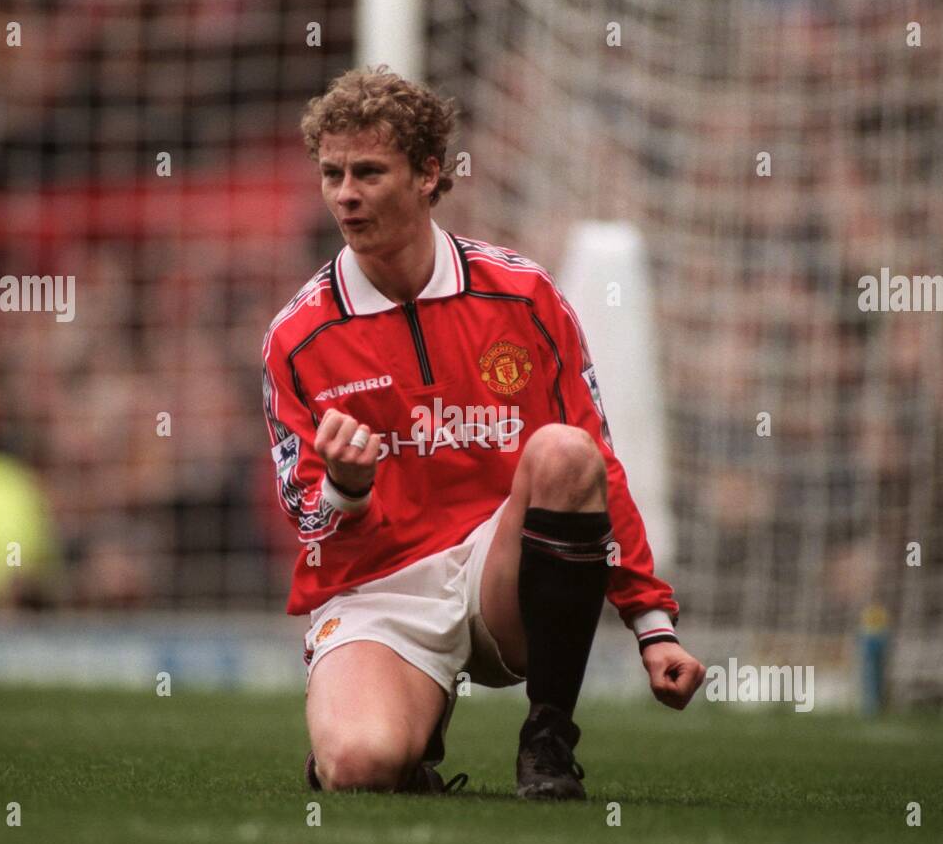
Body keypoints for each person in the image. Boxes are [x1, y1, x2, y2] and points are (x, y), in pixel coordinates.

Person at [260, 66, 705, 799]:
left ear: (429, 173)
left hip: (500, 577)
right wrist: (344, 487)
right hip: (380, 588)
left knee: (564, 450)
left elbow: (601, 466)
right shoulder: (297, 337)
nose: (345, 193)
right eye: (331, 173)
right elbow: (307, 524)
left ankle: (550, 739)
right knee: (360, 768)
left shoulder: (524, 298)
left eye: (369, 172)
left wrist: (652, 623)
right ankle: (406, 730)